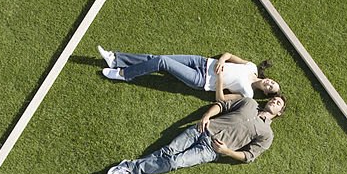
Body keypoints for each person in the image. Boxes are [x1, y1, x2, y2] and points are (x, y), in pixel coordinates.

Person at [107, 94, 287, 174]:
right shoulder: (249, 103)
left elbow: (249, 156)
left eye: (278, 103)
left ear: (278, 114)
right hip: (201, 129)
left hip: (211, 150)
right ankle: (131, 173)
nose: (274, 101)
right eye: (274, 99)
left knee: (175, 161)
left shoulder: (267, 134)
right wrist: (206, 116)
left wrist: (227, 152)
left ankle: (131, 169)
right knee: (167, 151)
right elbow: (222, 105)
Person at [96, 47, 280, 98]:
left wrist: (221, 78)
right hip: (202, 61)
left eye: (270, 88)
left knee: (162, 62)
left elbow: (221, 99)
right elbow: (229, 54)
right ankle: (115, 60)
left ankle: (124, 74)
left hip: (201, 80)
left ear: (265, 92)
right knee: (157, 57)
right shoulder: (252, 67)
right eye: (272, 82)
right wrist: (222, 60)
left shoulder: (247, 94)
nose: (269, 84)